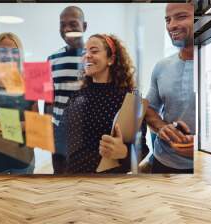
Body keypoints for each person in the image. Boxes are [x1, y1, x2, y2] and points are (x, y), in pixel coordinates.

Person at [61, 34, 149, 174]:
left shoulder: (129, 99)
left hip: (108, 182)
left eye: (94, 51)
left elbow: (142, 149)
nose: (87, 56)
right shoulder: (77, 95)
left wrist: (124, 152)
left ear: (111, 59)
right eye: (85, 52)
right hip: (74, 175)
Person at [144, 3, 195, 173]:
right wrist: (162, 127)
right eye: (168, 19)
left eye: (181, 17)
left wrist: (203, 146)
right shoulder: (161, 67)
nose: (171, 25)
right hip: (163, 163)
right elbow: (149, 109)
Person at [0, 32, 35, 174]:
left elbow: (36, 121)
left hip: (22, 159)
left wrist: (14, 125)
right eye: (3, 51)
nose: (9, 56)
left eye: (14, 51)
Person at [47, 6, 87, 174]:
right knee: (60, 172)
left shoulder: (93, 57)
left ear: (84, 26)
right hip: (58, 129)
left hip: (87, 127)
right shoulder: (51, 59)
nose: (67, 29)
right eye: (62, 25)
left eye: (73, 24)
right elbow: (49, 97)